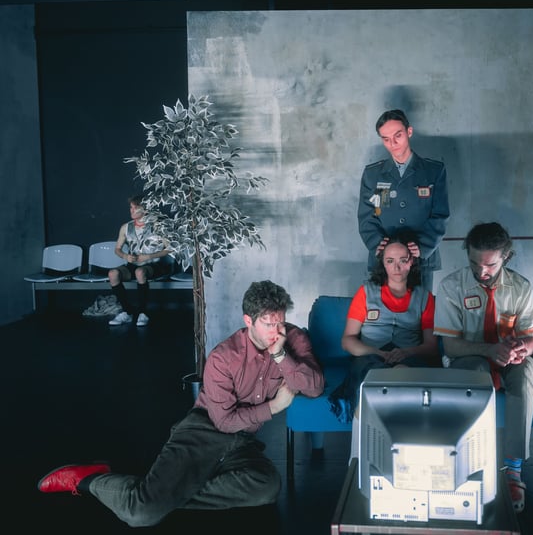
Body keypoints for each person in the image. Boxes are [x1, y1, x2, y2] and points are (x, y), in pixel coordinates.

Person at [37, 280, 325, 528]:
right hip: (204, 430)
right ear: (248, 321)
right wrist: (274, 407)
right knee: (141, 513)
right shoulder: (224, 357)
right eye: (268, 324)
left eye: (280, 321)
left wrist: (280, 356)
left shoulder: (292, 339)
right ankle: (89, 480)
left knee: (267, 487)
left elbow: (314, 388)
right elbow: (223, 421)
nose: (277, 330)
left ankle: (163, 493)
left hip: (242, 440)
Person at [434, 222, 533, 514]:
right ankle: (474, 466)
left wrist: (520, 348)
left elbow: (531, 340)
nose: (481, 272)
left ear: (506, 257)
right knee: (477, 374)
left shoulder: (521, 287)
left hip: (508, 359)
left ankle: (513, 471)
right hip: (469, 357)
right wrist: (489, 350)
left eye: (490, 265)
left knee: (524, 373)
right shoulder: (451, 287)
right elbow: (450, 347)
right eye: (474, 263)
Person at [329, 233, 439, 423]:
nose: (397, 267)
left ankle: (403, 434)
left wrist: (406, 352)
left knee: (402, 373)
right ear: (383, 264)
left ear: (411, 261)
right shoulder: (365, 293)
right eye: (390, 261)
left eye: (403, 260)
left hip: (409, 357)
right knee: (373, 379)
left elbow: (431, 346)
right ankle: (363, 436)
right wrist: (377, 352)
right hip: (370, 356)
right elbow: (348, 340)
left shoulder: (425, 297)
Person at [358, 109, 450, 292]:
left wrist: (422, 246)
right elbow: (367, 216)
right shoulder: (372, 174)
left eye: (397, 135)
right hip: (384, 260)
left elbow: (440, 214)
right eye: (386, 139)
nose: (393, 143)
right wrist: (377, 244)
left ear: (409, 131)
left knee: (420, 307)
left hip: (420, 259)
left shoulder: (433, 171)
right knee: (382, 307)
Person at [108, 194, 171, 327]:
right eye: (131, 207)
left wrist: (149, 256)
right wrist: (125, 256)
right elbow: (117, 249)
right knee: (113, 274)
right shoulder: (126, 227)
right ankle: (127, 312)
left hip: (154, 265)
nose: (131, 210)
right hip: (133, 265)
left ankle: (143, 313)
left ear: (145, 209)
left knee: (140, 272)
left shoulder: (157, 225)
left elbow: (169, 249)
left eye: (135, 208)